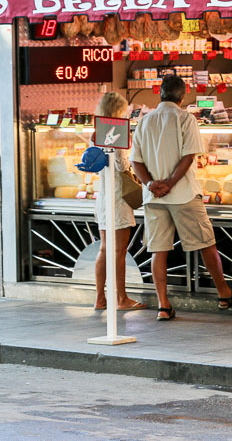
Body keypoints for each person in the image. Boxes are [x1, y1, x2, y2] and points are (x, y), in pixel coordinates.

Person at [131, 75, 232, 321]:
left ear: (160, 93)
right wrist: (171, 183)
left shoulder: (144, 120)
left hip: (153, 197)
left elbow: (136, 161)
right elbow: (188, 157)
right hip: (183, 194)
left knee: (158, 250)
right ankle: (224, 293)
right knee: (206, 243)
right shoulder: (185, 119)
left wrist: (151, 184)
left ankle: (164, 305)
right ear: (182, 96)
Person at [92, 92, 147, 312]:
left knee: (105, 249)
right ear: (117, 110)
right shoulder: (117, 131)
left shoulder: (96, 131)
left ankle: (100, 298)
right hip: (118, 197)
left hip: (103, 196)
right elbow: (121, 166)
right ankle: (121, 298)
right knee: (118, 251)